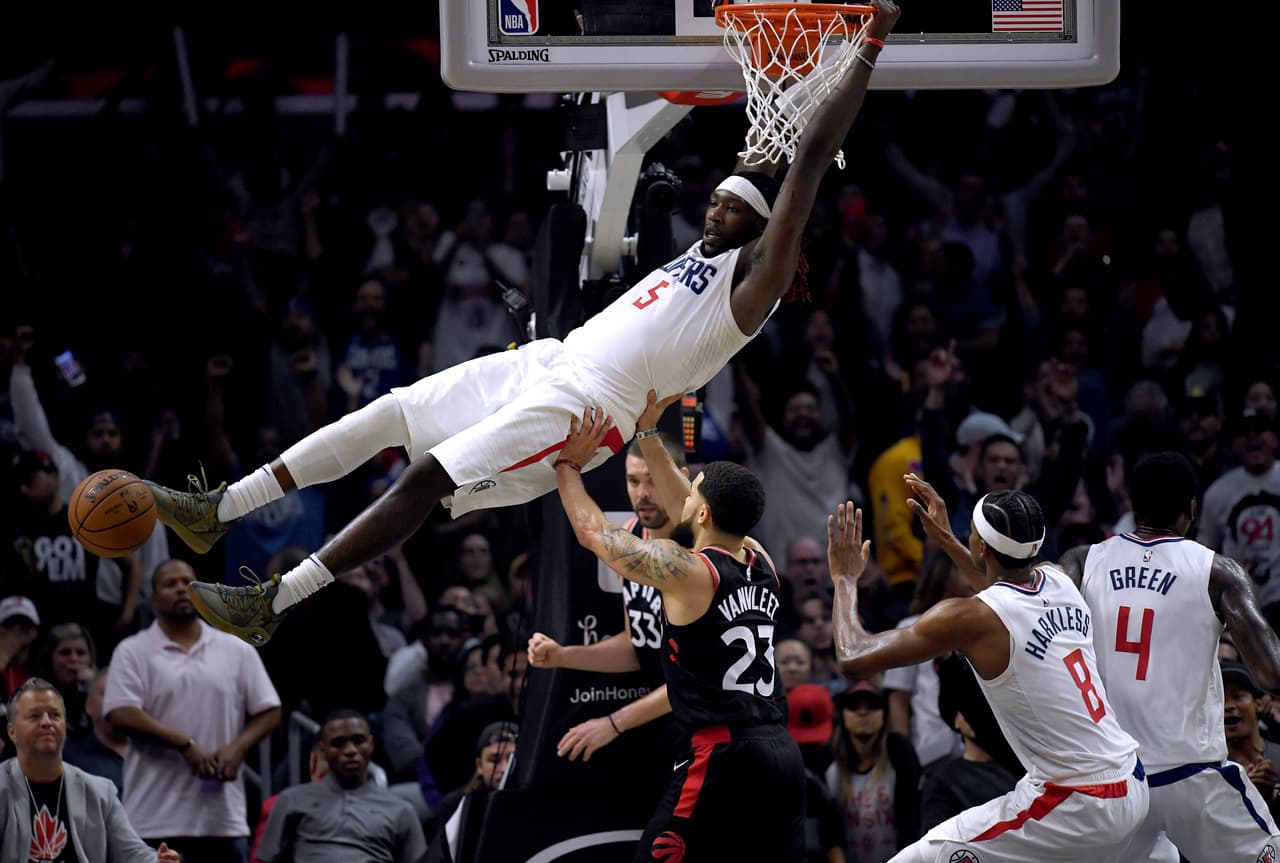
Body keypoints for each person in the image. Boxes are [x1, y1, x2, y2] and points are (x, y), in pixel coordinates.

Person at [143, 0, 904, 647]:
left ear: (760, 230)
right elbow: (775, 150)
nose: (713, 204)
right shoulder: (712, 247)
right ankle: (221, 507)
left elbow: (808, 162)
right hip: (550, 360)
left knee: (423, 477)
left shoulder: (753, 286)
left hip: (585, 407)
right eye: (717, 195)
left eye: (731, 205)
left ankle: (271, 603)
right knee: (388, 412)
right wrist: (782, 93)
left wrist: (864, 46)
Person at [831, 483, 1148, 862]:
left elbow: (852, 656)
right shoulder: (1059, 578)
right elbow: (1003, 595)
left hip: (1079, 802)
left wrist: (845, 580)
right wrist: (948, 540)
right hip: (1130, 780)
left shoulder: (970, 617)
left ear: (981, 546)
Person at [554, 407, 806, 861]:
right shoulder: (762, 561)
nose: (682, 498)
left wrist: (567, 466)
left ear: (703, 510)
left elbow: (592, 531)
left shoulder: (687, 573)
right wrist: (649, 433)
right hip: (782, 754)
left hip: (724, 754)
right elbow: (692, 513)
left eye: (692, 492)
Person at [1059, 451, 1280, 861]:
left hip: (1113, 778)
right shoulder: (1217, 571)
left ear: (1133, 504)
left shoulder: (1080, 562)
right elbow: (1270, 671)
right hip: (1190, 775)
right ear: (1192, 509)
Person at [525, 412, 684, 766]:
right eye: (633, 481)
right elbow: (637, 645)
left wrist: (614, 722)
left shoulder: (698, 551)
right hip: (663, 721)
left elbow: (701, 676)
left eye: (652, 481)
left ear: (680, 479)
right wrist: (564, 656)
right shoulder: (631, 533)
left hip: (712, 721)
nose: (642, 494)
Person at [103, 559, 282, 863]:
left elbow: (270, 709)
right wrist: (184, 744)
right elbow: (120, 712)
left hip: (222, 819)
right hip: (153, 817)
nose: (181, 589)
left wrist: (237, 749)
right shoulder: (133, 650)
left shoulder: (235, 648)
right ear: (152, 595)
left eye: (187, 582)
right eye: (169, 584)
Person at [1, 677, 179, 863]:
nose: (46, 722)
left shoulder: (101, 792)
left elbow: (133, 854)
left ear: (64, 726)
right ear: (11, 732)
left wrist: (158, 860)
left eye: (55, 715)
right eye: (34, 716)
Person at [255, 709, 428, 863]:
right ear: (323, 750)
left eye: (359, 740)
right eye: (339, 743)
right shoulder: (291, 800)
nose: (350, 750)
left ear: (371, 744)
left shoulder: (401, 810)